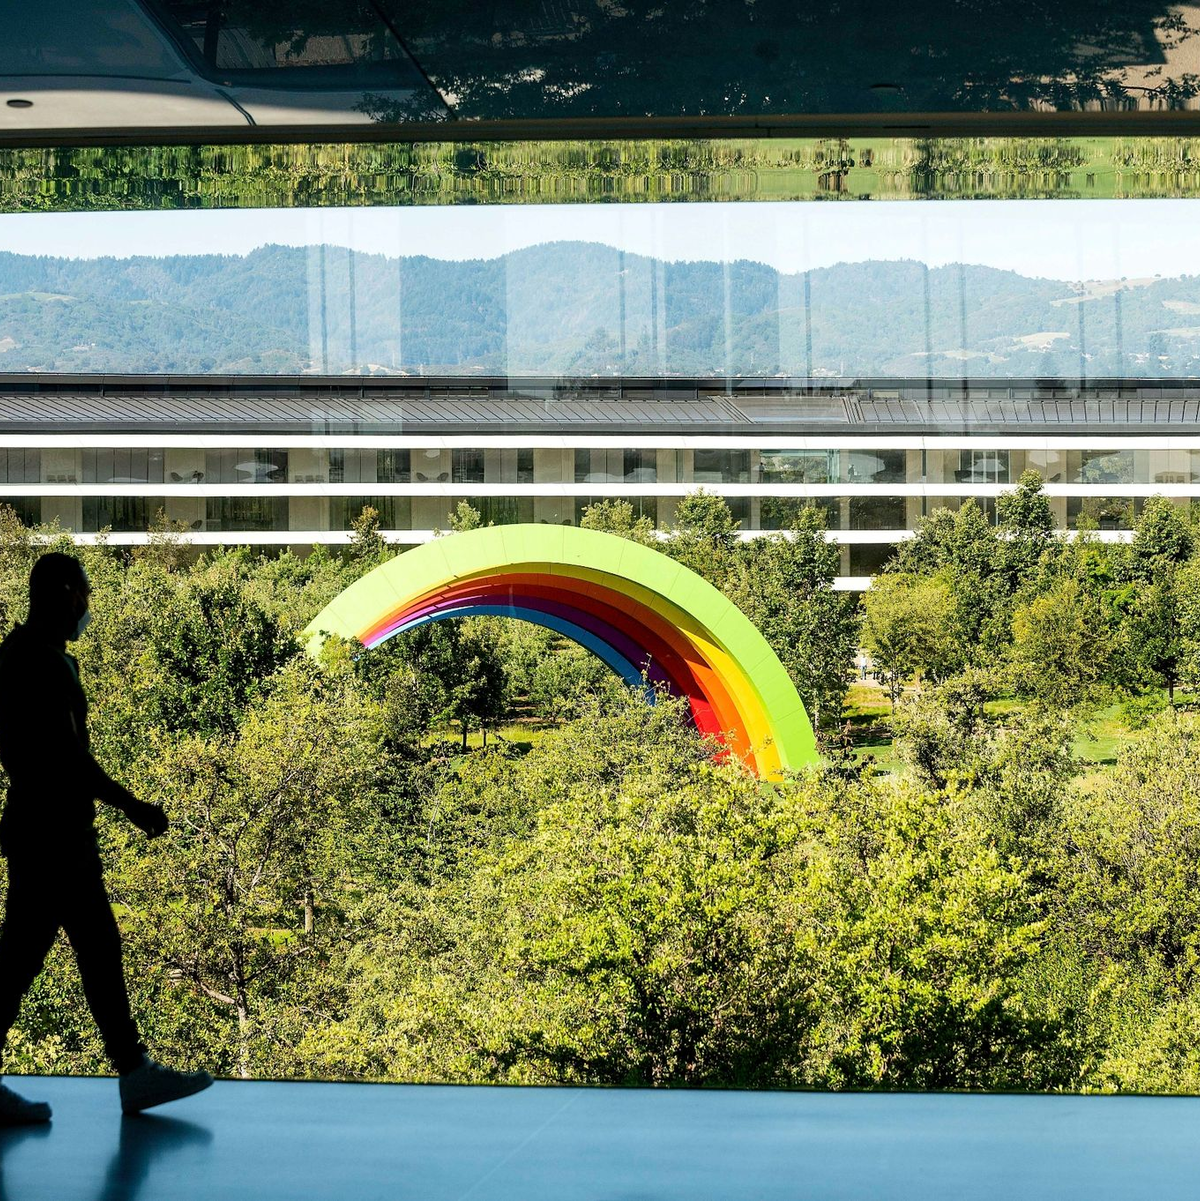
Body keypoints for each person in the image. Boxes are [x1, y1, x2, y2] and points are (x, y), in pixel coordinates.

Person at [0, 552, 212, 1123]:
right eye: (83, 593)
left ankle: (133, 1068)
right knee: (57, 953)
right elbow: (71, 763)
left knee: (59, 952)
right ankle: (134, 1072)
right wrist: (135, 807)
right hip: (57, 840)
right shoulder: (45, 665)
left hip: (36, 833)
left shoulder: (15, 656)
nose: (86, 606)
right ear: (65, 593)